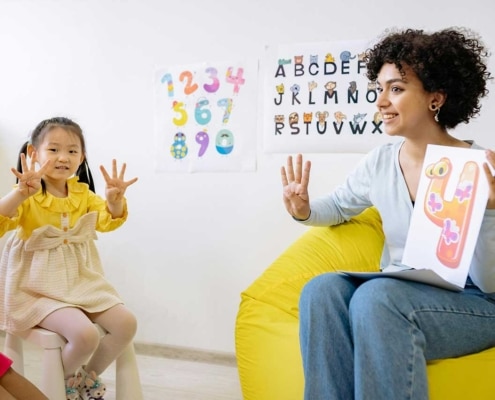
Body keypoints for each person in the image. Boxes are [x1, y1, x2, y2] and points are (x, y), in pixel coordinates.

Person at [281, 28, 495, 399]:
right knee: (321, 290)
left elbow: (490, 281)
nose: (380, 101)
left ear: (435, 98)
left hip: (478, 303)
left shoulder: (482, 167)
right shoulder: (380, 161)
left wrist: (488, 212)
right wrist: (304, 209)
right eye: (379, 89)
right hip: (403, 288)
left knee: (375, 297)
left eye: (396, 89)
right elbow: (338, 206)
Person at [0, 117, 139, 400]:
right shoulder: (28, 194)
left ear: (82, 157)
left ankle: (81, 381)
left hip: (80, 283)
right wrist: (18, 193)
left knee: (126, 323)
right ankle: (59, 382)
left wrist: (113, 200)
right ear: (33, 154)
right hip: (37, 290)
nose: (63, 157)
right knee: (85, 335)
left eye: (72, 151)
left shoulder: (82, 194)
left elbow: (107, 220)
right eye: (53, 150)